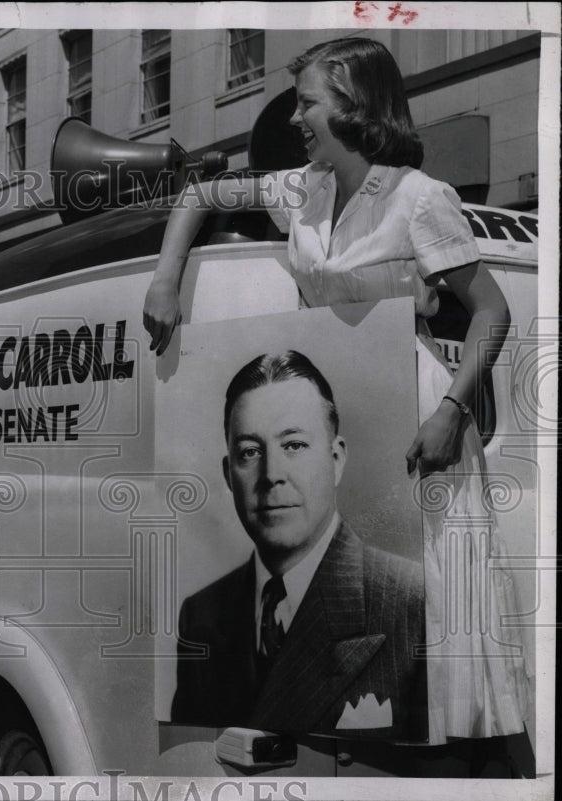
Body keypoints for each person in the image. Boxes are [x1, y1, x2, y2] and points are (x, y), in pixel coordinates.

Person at [145, 37, 529, 743]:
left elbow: (492, 310)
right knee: (356, 606)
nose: (296, 118)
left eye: (308, 102)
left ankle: (458, 764)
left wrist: (452, 412)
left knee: (431, 611)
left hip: (420, 417)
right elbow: (200, 190)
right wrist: (166, 279)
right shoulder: (302, 189)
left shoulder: (421, 199)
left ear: (354, 106)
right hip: (339, 407)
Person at [172, 351, 428, 739]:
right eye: (250, 452)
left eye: (293, 445)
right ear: (229, 475)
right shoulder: (201, 617)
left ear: (336, 458)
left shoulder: (410, 602)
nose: (272, 475)